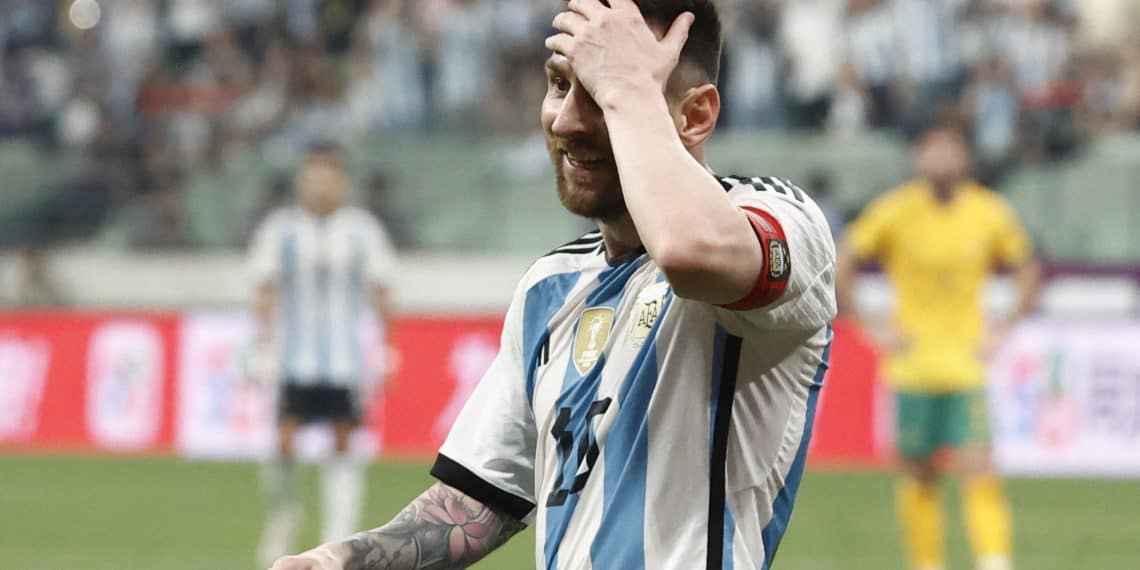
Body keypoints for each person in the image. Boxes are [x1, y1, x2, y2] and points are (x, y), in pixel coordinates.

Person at [271, 0, 836, 568]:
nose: (565, 119)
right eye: (560, 84)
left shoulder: (781, 221)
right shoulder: (550, 287)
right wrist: (340, 560)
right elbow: (474, 504)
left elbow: (688, 251)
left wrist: (629, 92)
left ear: (693, 117)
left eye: (602, 92)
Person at [836, 121, 1041, 570]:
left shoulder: (989, 211)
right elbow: (842, 263)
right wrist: (870, 325)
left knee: (978, 467)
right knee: (919, 475)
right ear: (918, 156)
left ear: (966, 157)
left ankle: (994, 560)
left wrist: (1004, 326)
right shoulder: (895, 210)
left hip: (966, 365)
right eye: (933, 148)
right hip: (911, 367)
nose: (942, 158)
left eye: (951, 148)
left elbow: (1027, 269)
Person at [250, 141, 399, 567]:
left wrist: (388, 350)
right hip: (293, 359)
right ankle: (284, 515)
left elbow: (382, 291)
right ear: (302, 181)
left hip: (342, 362)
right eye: (312, 176)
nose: (319, 185)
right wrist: (262, 346)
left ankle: (339, 533)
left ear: (342, 182)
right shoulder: (280, 230)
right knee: (283, 442)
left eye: (328, 176)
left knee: (342, 440)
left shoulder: (362, 231)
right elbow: (263, 290)